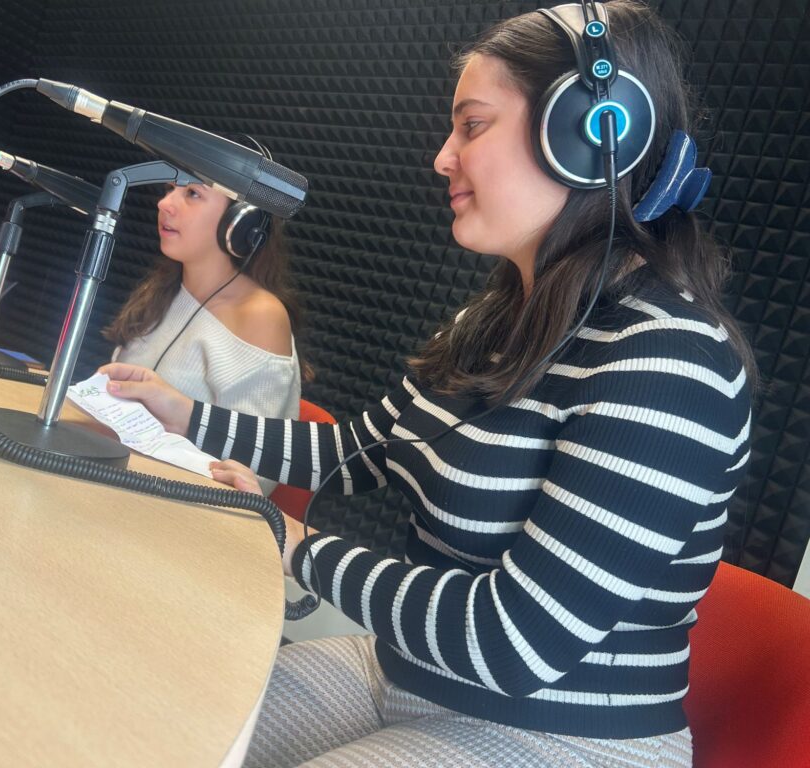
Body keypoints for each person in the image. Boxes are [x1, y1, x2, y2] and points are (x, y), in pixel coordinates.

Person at [100, 2, 754, 765]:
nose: (443, 158)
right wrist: (184, 414)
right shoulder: (495, 318)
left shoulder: (671, 364)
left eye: (472, 126)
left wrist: (292, 544)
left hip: (561, 736)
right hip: (404, 674)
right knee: (153, 719)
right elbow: (358, 450)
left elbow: (515, 640)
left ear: (586, 136)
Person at [102, 136, 306, 491]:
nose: (165, 203)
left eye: (192, 194)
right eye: (170, 189)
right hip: (116, 479)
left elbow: (252, 471)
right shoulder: (163, 290)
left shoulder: (259, 316)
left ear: (241, 222)